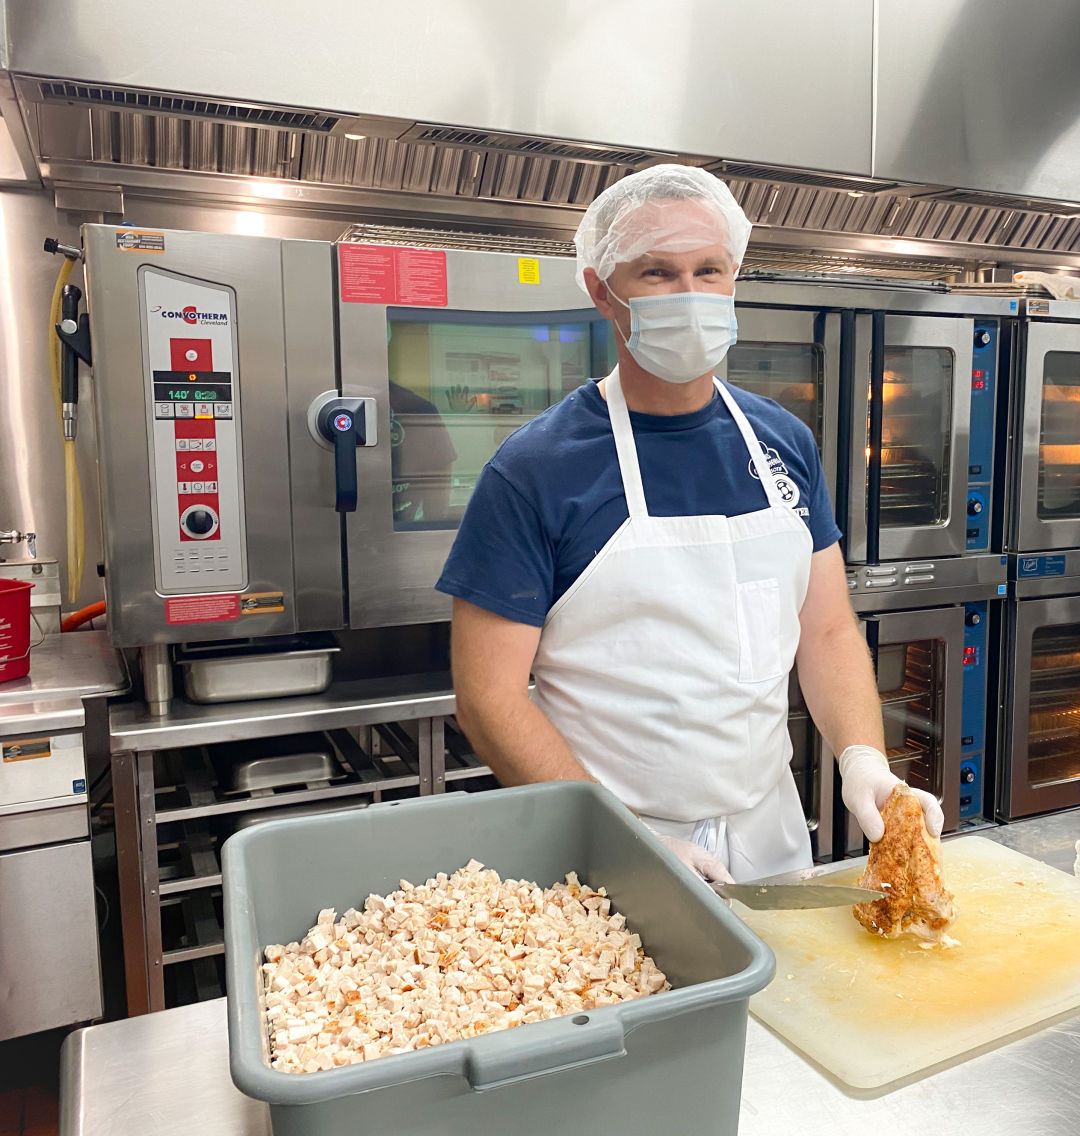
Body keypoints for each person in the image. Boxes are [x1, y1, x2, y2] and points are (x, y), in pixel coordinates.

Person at [435, 164, 943, 885]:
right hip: (608, 843)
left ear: (735, 276)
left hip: (768, 831)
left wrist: (864, 757)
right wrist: (623, 838)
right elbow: (488, 700)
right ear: (601, 291)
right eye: (657, 272)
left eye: (709, 270)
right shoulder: (535, 470)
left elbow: (826, 630)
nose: (691, 296)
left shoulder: (783, 442)